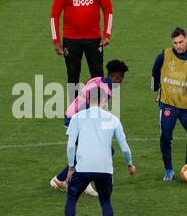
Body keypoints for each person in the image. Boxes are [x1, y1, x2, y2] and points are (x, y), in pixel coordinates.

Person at [62, 86, 136, 216]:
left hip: (82, 168)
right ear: (104, 101)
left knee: (71, 199)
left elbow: (70, 146)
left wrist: (70, 167)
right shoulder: (113, 119)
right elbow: (124, 148)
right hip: (105, 169)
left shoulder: (77, 118)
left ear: (88, 99)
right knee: (105, 202)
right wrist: (130, 164)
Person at [50, 59, 129, 196]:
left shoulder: (97, 80)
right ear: (116, 77)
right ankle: (70, 181)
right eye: (121, 78)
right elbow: (95, 112)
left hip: (72, 115)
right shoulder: (106, 91)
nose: (121, 81)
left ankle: (66, 180)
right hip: (77, 120)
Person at [50, 0, 113, 104]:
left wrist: (106, 34)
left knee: (97, 74)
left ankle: (100, 106)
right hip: (71, 40)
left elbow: (108, 10)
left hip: (94, 39)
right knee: (73, 75)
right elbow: (54, 16)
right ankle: (74, 109)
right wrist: (56, 41)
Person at [151, 28, 187, 181]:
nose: (178, 46)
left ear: (186, 40)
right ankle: (169, 169)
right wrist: (155, 86)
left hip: (186, 106)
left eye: (181, 42)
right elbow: (155, 71)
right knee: (166, 136)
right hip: (168, 104)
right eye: (175, 43)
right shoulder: (164, 55)